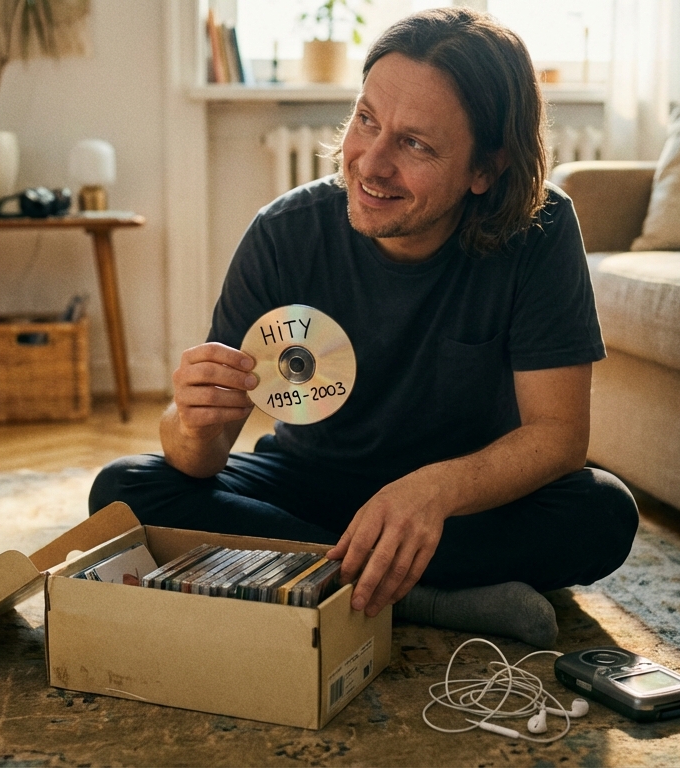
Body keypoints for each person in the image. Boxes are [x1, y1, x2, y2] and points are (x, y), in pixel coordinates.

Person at [88, 7, 637, 647]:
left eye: (415, 144)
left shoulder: (538, 232)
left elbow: (559, 437)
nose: (370, 163)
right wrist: (189, 421)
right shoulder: (284, 233)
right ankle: (427, 597)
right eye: (366, 120)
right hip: (306, 490)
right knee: (123, 490)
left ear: (486, 169)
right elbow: (201, 457)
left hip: (461, 503)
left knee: (601, 512)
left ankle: (326, 581)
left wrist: (434, 490)